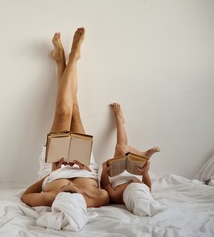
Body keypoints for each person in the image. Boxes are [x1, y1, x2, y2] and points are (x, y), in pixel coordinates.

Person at [21, 28, 109, 208]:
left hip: (53, 167)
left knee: (62, 111)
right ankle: (63, 59)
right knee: (74, 108)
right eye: (73, 193)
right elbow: (107, 186)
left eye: (64, 193)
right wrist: (87, 169)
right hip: (84, 165)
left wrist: (51, 175)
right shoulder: (96, 199)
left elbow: (26, 195)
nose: (69, 188)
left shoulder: (50, 197)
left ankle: (69, 58)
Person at [100, 103, 164, 216]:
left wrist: (104, 170)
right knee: (122, 147)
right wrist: (145, 172)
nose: (139, 190)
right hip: (133, 172)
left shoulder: (117, 197)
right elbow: (148, 185)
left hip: (117, 173)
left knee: (121, 148)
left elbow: (104, 184)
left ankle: (120, 120)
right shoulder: (145, 190)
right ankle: (120, 120)